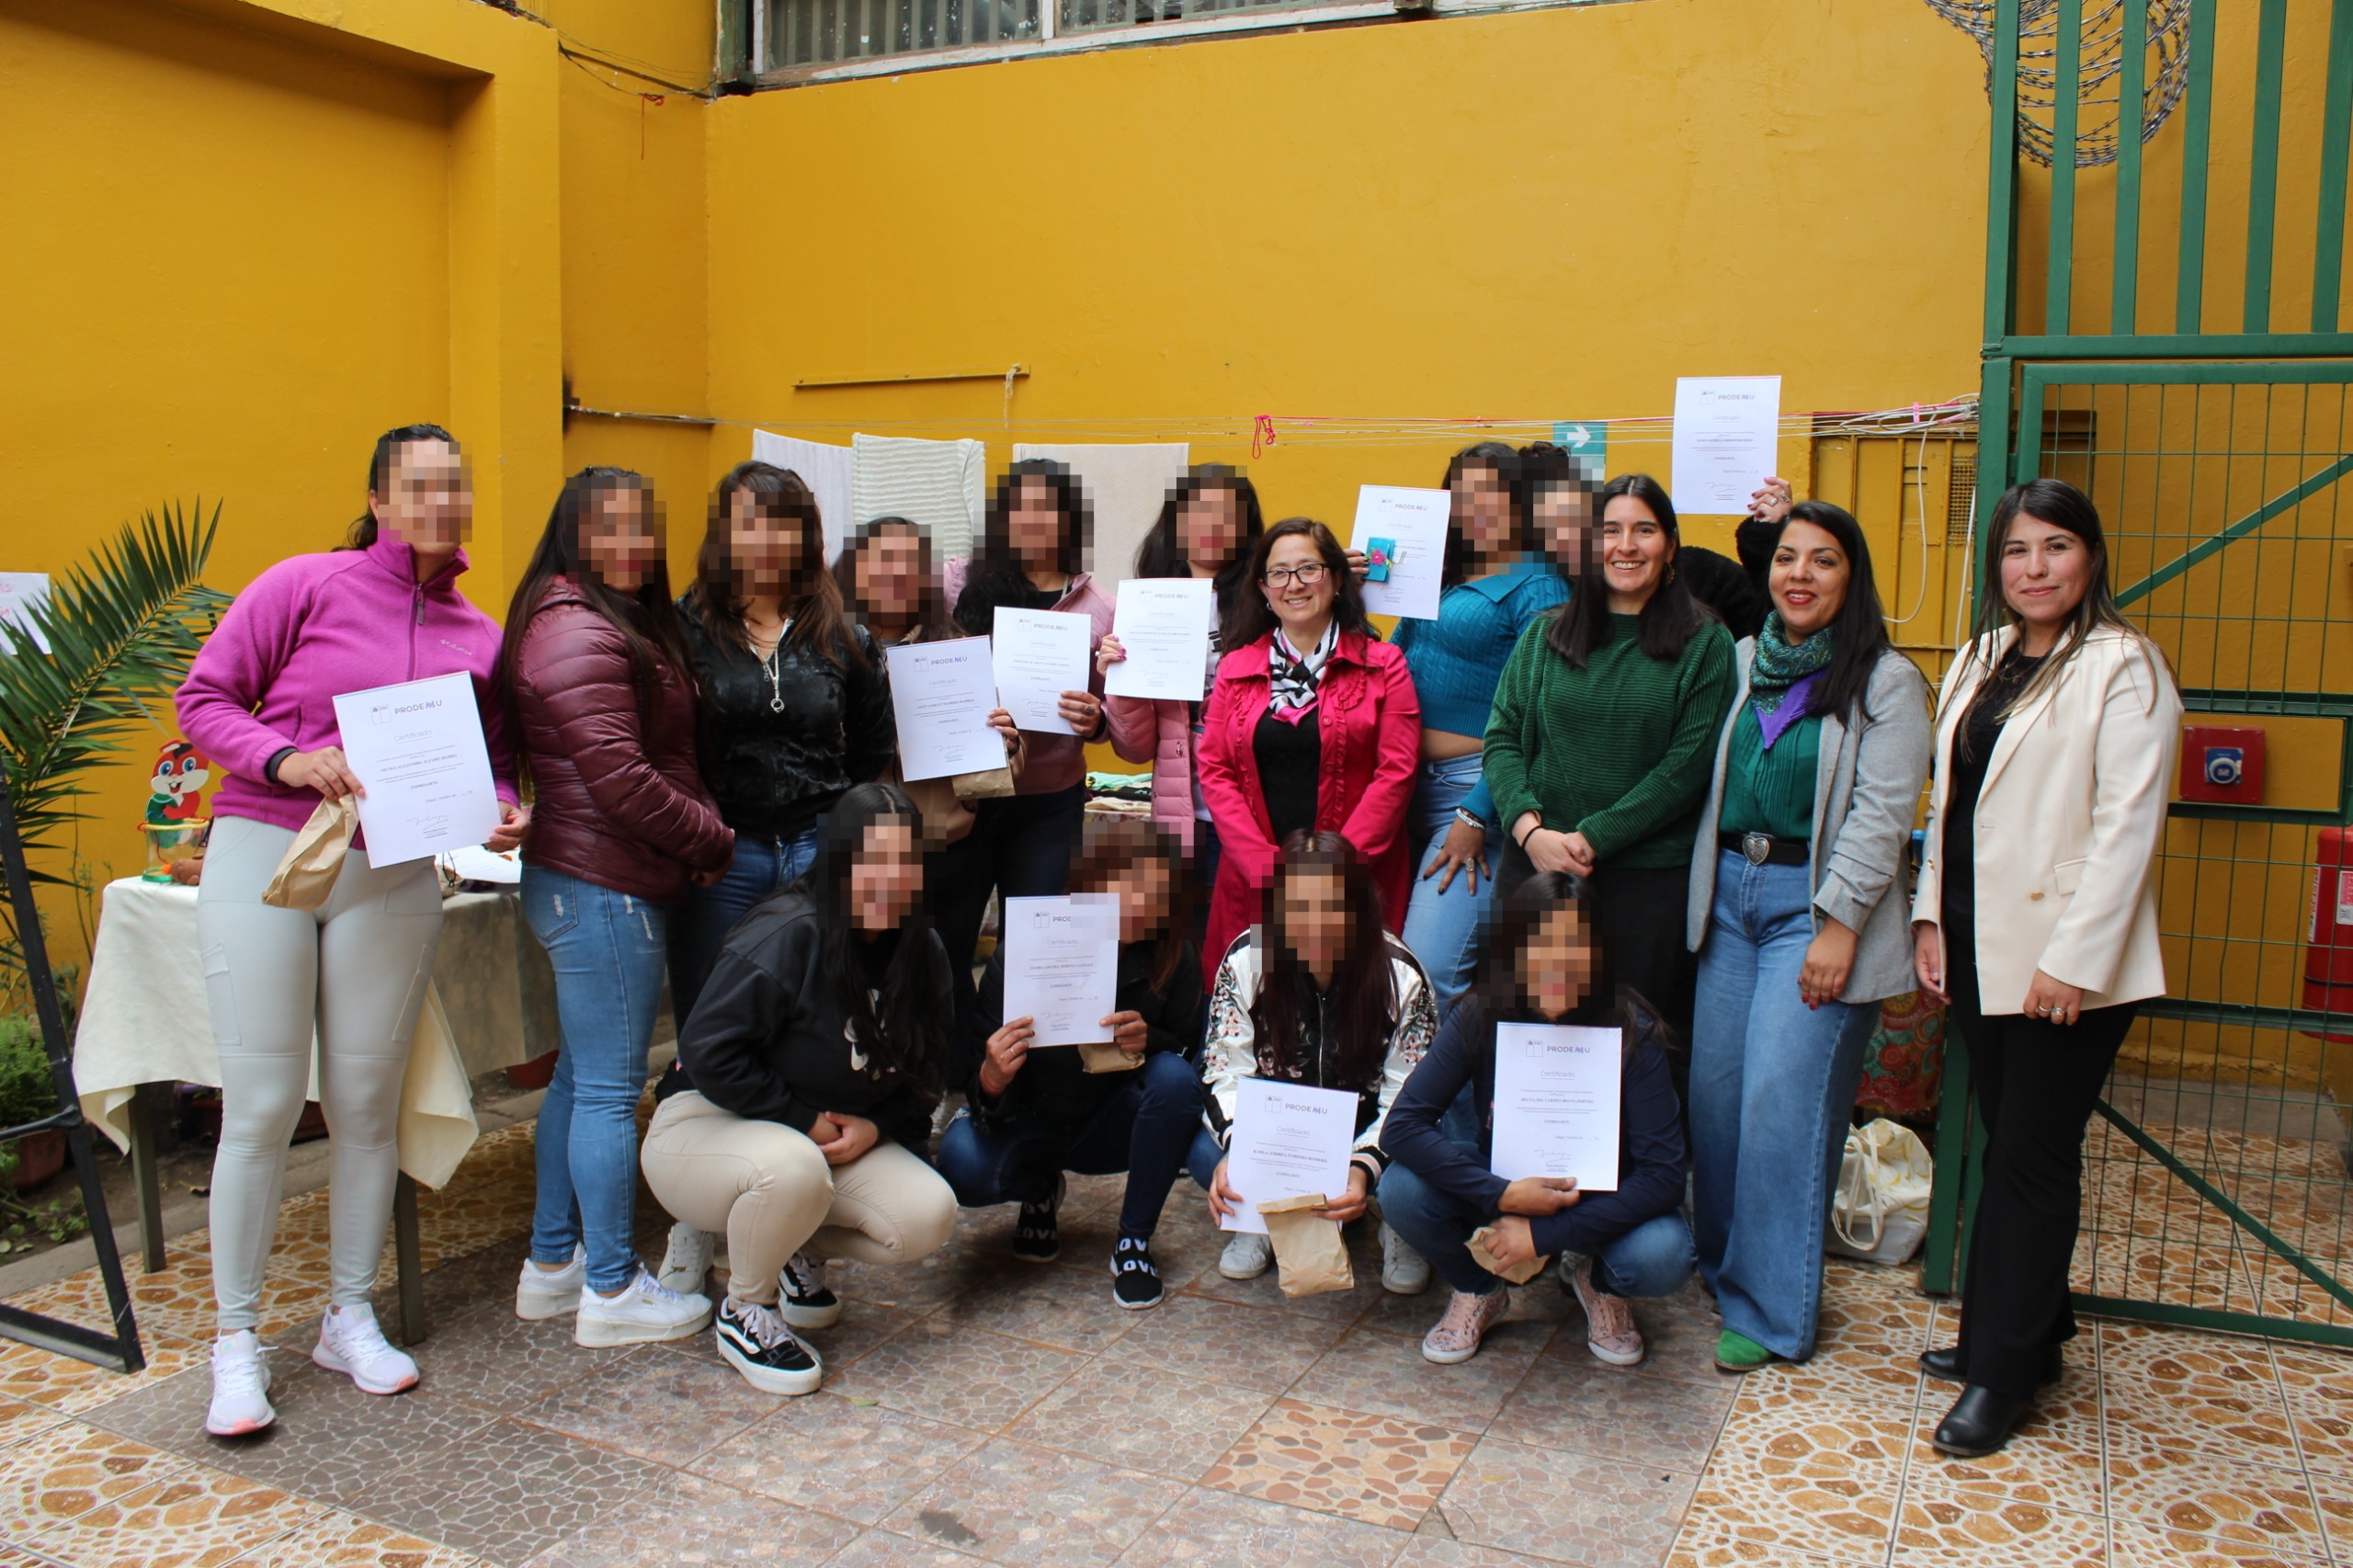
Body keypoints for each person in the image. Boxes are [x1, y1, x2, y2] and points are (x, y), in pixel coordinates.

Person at [178, 425, 528, 1437]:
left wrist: (503, 805)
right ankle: (235, 1340)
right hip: (272, 854)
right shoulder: (304, 584)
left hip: (397, 873)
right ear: (378, 499)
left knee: (368, 1103)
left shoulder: (478, 633)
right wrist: (286, 760)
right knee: (265, 1101)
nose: (437, 500)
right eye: (416, 485)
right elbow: (202, 698)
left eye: (452, 484)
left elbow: (498, 761)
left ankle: (347, 1311)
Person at [1911, 478, 2180, 1458]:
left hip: (2067, 963)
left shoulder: (2124, 666)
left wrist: (2072, 961)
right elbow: (1946, 803)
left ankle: (2002, 1371)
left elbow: (2127, 831)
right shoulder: (1980, 656)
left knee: (2029, 1158)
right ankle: (2034, 1329)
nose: (2033, 567)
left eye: (2055, 546)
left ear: (2090, 557)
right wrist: (1929, 917)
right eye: (2017, 550)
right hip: (1978, 945)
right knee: (2005, 1140)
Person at [1685, 502, 1932, 1374]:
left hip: (1813, 905)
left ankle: (1773, 1310)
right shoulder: (1747, 659)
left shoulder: (1886, 679)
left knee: (1781, 1107)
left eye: (1822, 561)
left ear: (1851, 576)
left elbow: (1882, 814)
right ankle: (1722, 1269)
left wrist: (1839, 925)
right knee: (1715, 1104)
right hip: (1727, 899)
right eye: (1787, 559)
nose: (1800, 575)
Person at [501, 467, 734, 1347]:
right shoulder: (578, 631)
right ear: (574, 534)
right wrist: (711, 841)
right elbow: (621, 778)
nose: (632, 544)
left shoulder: (599, 619)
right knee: (605, 1090)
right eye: (611, 528)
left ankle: (553, 1266)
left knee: (577, 1080)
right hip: (605, 886)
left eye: (644, 525)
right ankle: (608, 1289)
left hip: (597, 878)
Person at [654, 462, 895, 1293]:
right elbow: (666, 751)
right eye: (749, 522)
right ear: (723, 530)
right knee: (712, 1037)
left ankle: (790, 1231)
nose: (767, 540)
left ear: (806, 535)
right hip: (722, 854)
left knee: (813, 1034)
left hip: (821, 855)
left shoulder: (843, 634)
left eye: (783, 522)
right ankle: (696, 1223)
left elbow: (871, 760)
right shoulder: (682, 629)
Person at [643, 784, 961, 1394]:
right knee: (790, 1167)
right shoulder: (789, 932)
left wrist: (879, 1125)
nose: (887, 883)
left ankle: (787, 1245)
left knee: (928, 1215)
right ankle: (746, 1308)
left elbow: (928, 1069)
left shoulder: (923, 949)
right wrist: (801, 1120)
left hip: (826, 1138)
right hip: (705, 1124)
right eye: (871, 862)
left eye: (904, 865)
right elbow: (708, 1052)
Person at [1378, 877, 1696, 1366]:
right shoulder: (1480, 1013)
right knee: (1400, 1189)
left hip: (1603, 1202)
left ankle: (1600, 1282)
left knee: (1665, 1254)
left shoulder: (1634, 1029)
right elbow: (1402, 1127)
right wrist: (1497, 1193)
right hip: (1505, 1189)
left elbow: (1665, 1175)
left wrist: (1544, 1237)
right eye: (1539, 947)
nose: (1557, 967)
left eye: (1575, 948)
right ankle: (1479, 1287)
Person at [1483, 472, 1736, 1051]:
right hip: (1536, 871)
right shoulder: (1546, 634)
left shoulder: (1705, 644)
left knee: (1627, 1047)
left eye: (1644, 530)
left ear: (1670, 545)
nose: (1626, 546)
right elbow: (1501, 740)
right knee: (1522, 1039)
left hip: (1643, 884)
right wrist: (1531, 832)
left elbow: (1686, 769)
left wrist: (1589, 840)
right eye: (1611, 530)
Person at [936, 816, 1207, 1307]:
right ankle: (1038, 1187)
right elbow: (981, 1059)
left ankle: (1133, 1241)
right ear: (1090, 887)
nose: (1143, 903)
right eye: (1128, 889)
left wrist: (1153, 1039)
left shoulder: (1174, 952)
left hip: (1109, 1122)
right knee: (960, 1162)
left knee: (1173, 1077)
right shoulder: (1029, 946)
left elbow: (1192, 1050)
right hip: (1030, 1116)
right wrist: (992, 1078)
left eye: (1156, 891)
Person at [1195, 833, 1438, 1291]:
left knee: (1411, 1171)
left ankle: (1395, 1221)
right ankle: (1261, 1217)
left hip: (1365, 1140)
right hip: (1276, 1142)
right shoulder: (1248, 961)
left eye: (1332, 907)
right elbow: (1222, 1069)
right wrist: (1239, 1149)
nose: (1315, 925)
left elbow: (1410, 1094)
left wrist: (1362, 1166)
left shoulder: (1400, 975)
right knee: (1204, 1150)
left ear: (1358, 908)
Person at [937, 462, 1117, 1054]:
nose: (1033, 519)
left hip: (1047, 805)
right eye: (1020, 506)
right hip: (965, 794)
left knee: (1030, 943)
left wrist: (1095, 719)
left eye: (1049, 507)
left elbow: (1109, 717)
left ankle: (1016, 1069)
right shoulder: (955, 581)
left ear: (1070, 519)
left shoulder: (1100, 606)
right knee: (947, 938)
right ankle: (953, 1067)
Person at [1196, 518, 1420, 967]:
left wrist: (1330, 873)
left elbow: (1396, 771)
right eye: (1278, 573)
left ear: (1337, 579)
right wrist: (1267, 870)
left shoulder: (1383, 664)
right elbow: (1215, 770)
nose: (1293, 585)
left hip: (1354, 878)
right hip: (1257, 880)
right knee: (1257, 1012)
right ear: (1262, 588)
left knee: (1355, 1011)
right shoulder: (1236, 667)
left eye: (1308, 570)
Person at [1393, 443, 1569, 1012]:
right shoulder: (1441, 577)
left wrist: (1477, 810)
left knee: (1427, 974)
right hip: (1408, 793)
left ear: (1521, 500)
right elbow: (1388, 662)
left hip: (1472, 803)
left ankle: (1436, 1106)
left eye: (1491, 491)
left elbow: (1541, 715)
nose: (1476, 506)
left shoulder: (1538, 584)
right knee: (1400, 971)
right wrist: (1349, 589)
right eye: (1463, 494)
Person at [1101, 465, 1267, 918]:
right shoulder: (1144, 607)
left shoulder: (1268, 602)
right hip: (1182, 813)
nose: (1212, 525)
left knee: (1252, 943)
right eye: (1198, 511)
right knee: (1186, 950)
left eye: (1227, 514)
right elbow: (1134, 751)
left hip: (1252, 810)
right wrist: (1121, 684)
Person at [831, 516, 1017, 853]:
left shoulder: (957, 649)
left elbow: (1003, 771)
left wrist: (1007, 744)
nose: (897, 574)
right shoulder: (822, 651)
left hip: (939, 840)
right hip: (849, 840)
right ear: (853, 571)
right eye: (883, 561)